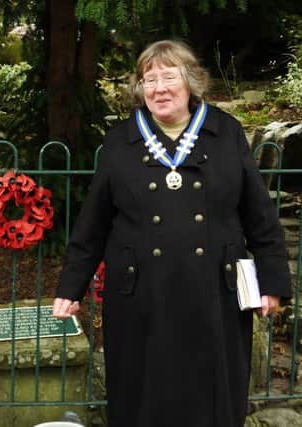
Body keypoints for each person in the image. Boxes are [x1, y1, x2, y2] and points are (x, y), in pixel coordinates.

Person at [53, 40, 291, 427]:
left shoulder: (225, 132)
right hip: (140, 296)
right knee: (143, 396)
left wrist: (273, 281)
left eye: (168, 77)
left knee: (212, 399)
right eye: (149, 79)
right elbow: (93, 223)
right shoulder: (119, 141)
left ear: (191, 82)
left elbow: (259, 215)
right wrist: (69, 287)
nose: (159, 88)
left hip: (216, 293)